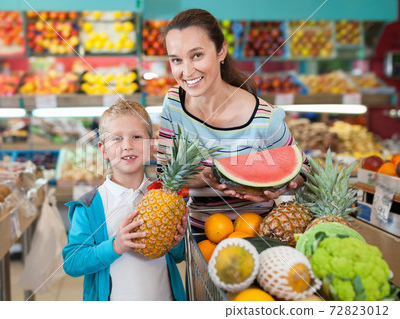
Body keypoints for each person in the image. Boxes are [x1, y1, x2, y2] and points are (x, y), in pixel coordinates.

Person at [157, 8, 308, 216]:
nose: (187, 71)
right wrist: (210, 175)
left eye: (197, 55)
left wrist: (281, 185)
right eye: (176, 60)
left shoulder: (264, 117)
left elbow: (303, 168)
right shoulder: (174, 103)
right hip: (197, 232)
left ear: (221, 51)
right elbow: (165, 173)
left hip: (257, 233)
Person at [62, 100, 187, 301]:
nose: (127, 145)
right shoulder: (89, 206)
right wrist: (115, 246)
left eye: (137, 137)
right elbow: (72, 262)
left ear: (150, 145)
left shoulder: (167, 198)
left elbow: (178, 257)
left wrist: (175, 244)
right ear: (103, 150)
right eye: (117, 139)